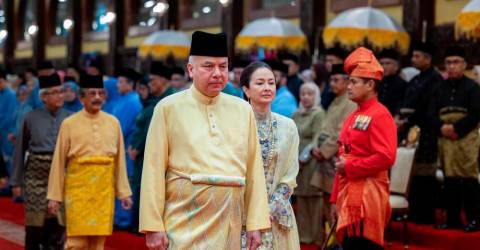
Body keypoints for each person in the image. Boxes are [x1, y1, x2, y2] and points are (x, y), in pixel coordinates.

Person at [140, 31, 270, 250]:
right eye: (208, 66)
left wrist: (255, 223)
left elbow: (254, 169)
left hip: (230, 220)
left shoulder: (242, 109)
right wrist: (153, 226)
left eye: (223, 66)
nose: (218, 73)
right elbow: (152, 170)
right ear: (191, 69)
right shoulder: (168, 108)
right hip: (183, 220)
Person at [47, 73, 132, 250]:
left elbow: (120, 162)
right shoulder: (69, 123)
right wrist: (54, 197)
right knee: (76, 243)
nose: (97, 98)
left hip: (103, 191)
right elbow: (58, 161)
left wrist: (124, 192)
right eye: (92, 94)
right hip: (78, 190)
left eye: (101, 93)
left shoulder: (113, 123)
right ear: (81, 98)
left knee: (98, 244)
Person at [331, 47, 397, 250]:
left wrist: (351, 167)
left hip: (369, 196)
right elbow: (343, 158)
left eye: (353, 82)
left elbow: (386, 157)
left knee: (364, 245)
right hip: (347, 192)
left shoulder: (380, 114)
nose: (348, 87)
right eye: (348, 81)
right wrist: (334, 199)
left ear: (370, 85)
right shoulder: (352, 116)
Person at [240, 61, 300, 249]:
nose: (267, 88)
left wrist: (267, 210)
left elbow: (290, 176)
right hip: (241, 213)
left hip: (276, 213)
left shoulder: (288, 127)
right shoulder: (235, 125)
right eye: (260, 83)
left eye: (271, 82)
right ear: (247, 90)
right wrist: (253, 214)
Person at [11, 73, 72, 250]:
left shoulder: (70, 117)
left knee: (58, 227)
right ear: (43, 96)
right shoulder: (31, 118)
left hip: (62, 177)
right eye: (54, 92)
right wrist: (16, 181)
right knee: (35, 226)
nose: (60, 95)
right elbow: (20, 150)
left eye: (61, 91)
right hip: (36, 178)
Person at [429, 46, 480, 232]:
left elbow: (476, 114)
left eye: (456, 62)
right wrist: (442, 127)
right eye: (449, 63)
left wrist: (456, 128)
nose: (452, 66)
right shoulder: (438, 88)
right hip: (445, 138)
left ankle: (474, 219)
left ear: (464, 64)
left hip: (466, 138)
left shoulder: (473, 88)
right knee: (449, 179)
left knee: (468, 179)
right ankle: (453, 219)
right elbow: (430, 114)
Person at [309, 64, 357, 247]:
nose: (332, 83)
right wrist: (315, 147)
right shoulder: (334, 100)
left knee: (336, 204)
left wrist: (324, 151)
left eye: (336, 80)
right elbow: (321, 129)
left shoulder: (350, 103)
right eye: (331, 79)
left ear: (347, 82)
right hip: (323, 158)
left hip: (335, 160)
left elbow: (342, 134)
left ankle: (338, 242)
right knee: (325, 202)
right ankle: (328, 240)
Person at [128, 62, 176, 233]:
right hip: (144, 155)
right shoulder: (153, 100)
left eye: (153, 80)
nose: (150, 84)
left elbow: (151, 129)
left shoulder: (171, 100)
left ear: (164, 80)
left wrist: (137, 147)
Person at [399, 41, 444, 224]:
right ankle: (414, 211)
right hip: (411, 131)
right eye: (413, 56)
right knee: (413, 175)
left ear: (428, 58)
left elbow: (429, 107)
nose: (413, 59)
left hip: (427, 132)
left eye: (417, 56)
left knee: (426, 176)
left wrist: (408, 120)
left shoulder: (436, 80)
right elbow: (405, 103)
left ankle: (426, 215)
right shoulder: (415, 79)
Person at [291, 82, 325, 246]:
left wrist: (303, 158)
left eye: (310, 94)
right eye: (303, 93)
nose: (305, 97)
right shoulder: (296, 114)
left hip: (311, 160)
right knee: (302, 199)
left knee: (314, 199)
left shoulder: (318, 113)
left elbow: (317, 138)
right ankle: (304, 235)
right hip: (297, 161)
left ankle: (316, 236)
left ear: (316, 96)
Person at [111, 68, 142, 229]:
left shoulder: (132, 101)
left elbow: (120, 128)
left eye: (121, 82)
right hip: (119, 149)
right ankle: (119, 218)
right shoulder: (123, 99)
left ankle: (123, 220)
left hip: (126, 150)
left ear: (130, 84)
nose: (118, 85)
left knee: (125, 183)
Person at [377, 49, 407, 116]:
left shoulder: (403, 84)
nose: (384, 67)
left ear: (397, 66)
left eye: (388, 63)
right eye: (381, 64)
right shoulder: (378, 83)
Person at [0, 69, 18, 179]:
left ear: (5, 81)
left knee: (8, 157)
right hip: (2, 129)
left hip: (7, 130)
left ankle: (11, 183)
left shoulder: (10, 95)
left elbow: (10, 116)